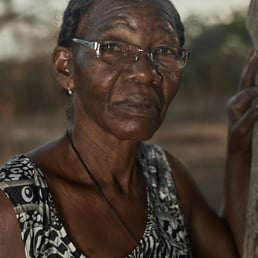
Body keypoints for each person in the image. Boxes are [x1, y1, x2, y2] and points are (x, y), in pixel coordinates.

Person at [0, 0, 257, 257]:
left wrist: (239, 150)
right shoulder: (17, 204)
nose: (145, 73)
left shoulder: (165, 178)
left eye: (165, 50)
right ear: (65, 67)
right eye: (113, 47)